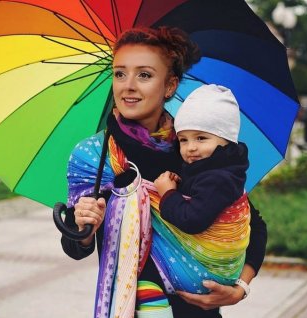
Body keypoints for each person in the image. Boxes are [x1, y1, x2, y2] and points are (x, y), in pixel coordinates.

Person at [60, 26, 267, 318]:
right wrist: (84, 227)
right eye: (120, 73)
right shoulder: (95, 156)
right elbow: (74, 246)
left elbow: (250, 223)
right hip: (131, 307)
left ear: (169, 86)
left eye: (144, 74)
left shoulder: (191, 148)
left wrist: (240, 289)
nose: (127, 85)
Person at [153, 84, 251, 296]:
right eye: (183, 140)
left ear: (226, 139)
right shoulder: (215, 168)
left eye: (201, 138)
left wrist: (168, 193)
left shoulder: (218, 178)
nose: (191, 148)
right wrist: (181, 185)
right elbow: (200, 197)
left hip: (208, 275)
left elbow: (193, 219)